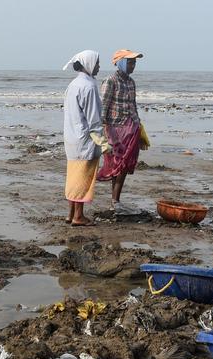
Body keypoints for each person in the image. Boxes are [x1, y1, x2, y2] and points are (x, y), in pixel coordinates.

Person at [97, 49, 149, 212]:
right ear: (120, 63)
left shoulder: (131, 82)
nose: (133, 65)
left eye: (134, 63)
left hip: (131, 128)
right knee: (117, 164)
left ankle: (116, 200)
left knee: (125, 165)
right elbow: (103, 107)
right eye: (130, 62)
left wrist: (139, 126)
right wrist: (103, 130)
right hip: (115, 130)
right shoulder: (110, 81)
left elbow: (133, 105)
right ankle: (115, 201)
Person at [62, 50, 110, 226]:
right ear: (88, 64)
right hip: (84, 139)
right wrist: (103, 142)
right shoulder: (88, 87)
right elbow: (93, 119)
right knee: (82, 178)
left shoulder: (73, 84)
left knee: (73, 176)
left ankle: (71, 214)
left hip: (72, 137)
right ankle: (78, 216)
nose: (99, 66)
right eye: (97, 63)